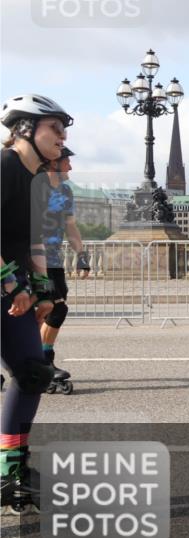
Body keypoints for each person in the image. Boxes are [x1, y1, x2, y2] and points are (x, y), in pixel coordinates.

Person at [1, 93, 72, 514]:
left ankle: (11, 469)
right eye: (55, 129)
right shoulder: (4, 166)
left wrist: (44, 292)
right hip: (6, 288)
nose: (62, 138)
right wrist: (12, 284)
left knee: (33, 372)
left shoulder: (39, 182)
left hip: (13, 293)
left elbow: (35, 243)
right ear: (25, 129)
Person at [38, 147, 90, 394]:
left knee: (45, 312)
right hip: (34, 259)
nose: (70, 166)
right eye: (67, 161)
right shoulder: (34, 188)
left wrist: (82, 256)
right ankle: (42, 364)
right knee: (55, 309)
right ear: (53, 163)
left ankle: (34, 361)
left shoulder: (65, 191)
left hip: (55, 260)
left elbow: (70, 226)